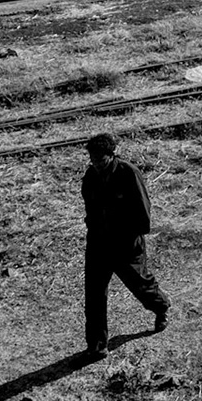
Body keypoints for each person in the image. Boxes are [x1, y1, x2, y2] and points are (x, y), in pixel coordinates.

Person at [81, 132, 170, 357]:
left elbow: (143, 213)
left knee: (142, 287)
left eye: (100, 159)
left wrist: (129, 238)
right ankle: (97, 346)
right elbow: (90, 209)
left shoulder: (129, 173)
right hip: (98, 245)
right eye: (92, 159)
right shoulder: (90, 176)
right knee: (94, 297)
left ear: (112, 155)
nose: (96, 164)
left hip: (126, 245)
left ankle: (161, 308)